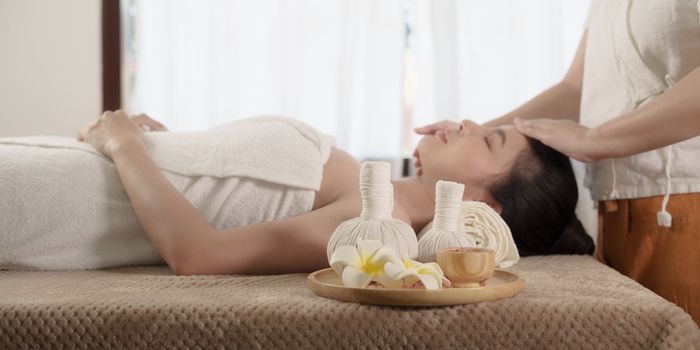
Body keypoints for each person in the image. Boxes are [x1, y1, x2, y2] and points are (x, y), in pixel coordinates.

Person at [1, 107, 582, 276]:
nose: (465, 122)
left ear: (482, 205)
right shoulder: (360, 184)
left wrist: (125, 144)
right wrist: (165, 145)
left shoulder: (374, 225)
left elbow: (199, 256)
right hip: (51, 165)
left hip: (40, 201)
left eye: (488, 141)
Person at [416, 0, 700, 324]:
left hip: (683, 205)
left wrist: (596, 139)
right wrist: (470, 134)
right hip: (618, 210)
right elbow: (575, 89)